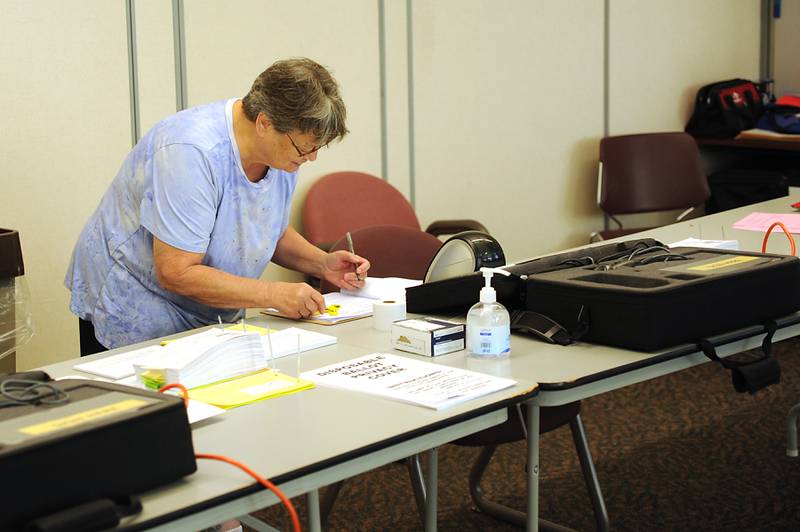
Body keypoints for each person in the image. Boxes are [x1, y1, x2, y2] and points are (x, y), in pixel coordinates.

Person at [65, 58, 369, 356]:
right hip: (137, 306)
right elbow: (176, 271)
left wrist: (322, 264)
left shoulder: (281, 152)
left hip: (205, 315)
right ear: (265, 123)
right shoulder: (191, 152)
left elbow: (262, 228)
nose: (311, 158)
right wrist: (273, 294)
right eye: (305, 148)